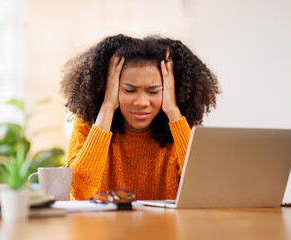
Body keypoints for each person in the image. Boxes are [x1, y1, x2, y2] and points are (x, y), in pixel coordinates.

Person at [60, 34, 220, 200]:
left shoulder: (181, 128)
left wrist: (172, 110)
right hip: (103, 226)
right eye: (129, 90)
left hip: (165, 226)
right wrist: (107, 106)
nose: (142, 102)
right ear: (109, 88)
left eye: (153, 91)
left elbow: (202, 188)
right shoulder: (90, 123)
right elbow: (79, 191)